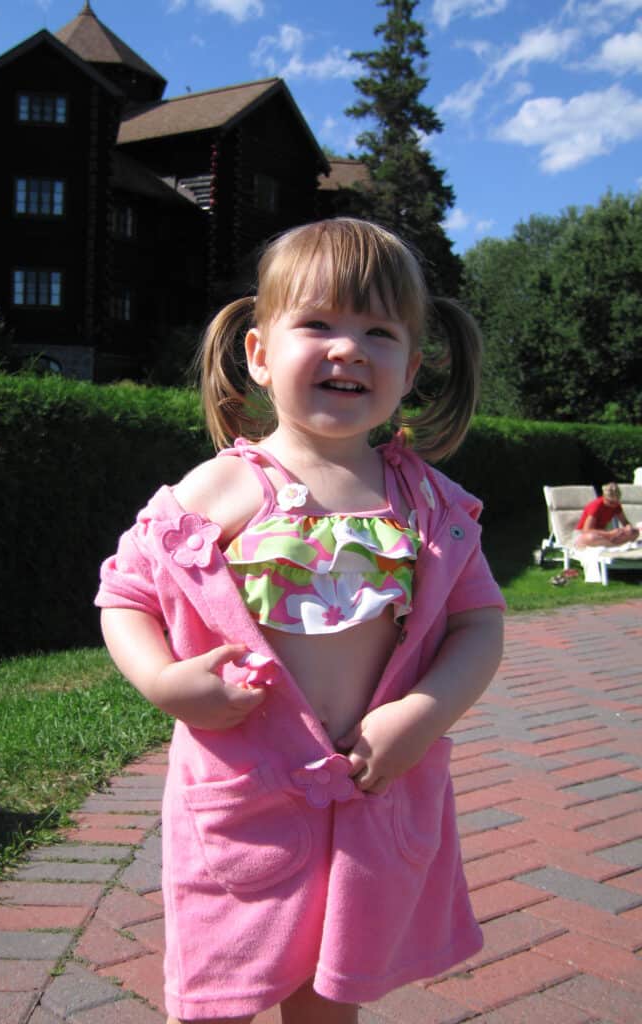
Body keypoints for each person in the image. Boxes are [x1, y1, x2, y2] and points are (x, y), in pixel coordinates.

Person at [96, 218, 505, 1024]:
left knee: (330, 993)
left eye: (378, 332)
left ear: (411, 367)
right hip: (245, 798)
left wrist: (420, 716)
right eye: (316, 324)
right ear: (258, 354)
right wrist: (164, 681)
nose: (347, 348)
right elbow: (125, 596)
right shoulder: (220, 489)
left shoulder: (429, 506)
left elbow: (479, 625)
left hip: (369, 792)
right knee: (221, 987)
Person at [575, 482, 639, 548]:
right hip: (584, 535)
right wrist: (609, 534)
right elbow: (587, 530)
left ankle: (611, 545)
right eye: (611, 502)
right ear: (604, 498)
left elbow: (625, 522)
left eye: (616, 502)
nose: (613, 505)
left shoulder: (616, 505)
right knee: (592, 538)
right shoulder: (596, 506)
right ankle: (614, 546)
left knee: (634, 532)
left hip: (603, 535)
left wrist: (628, 527)